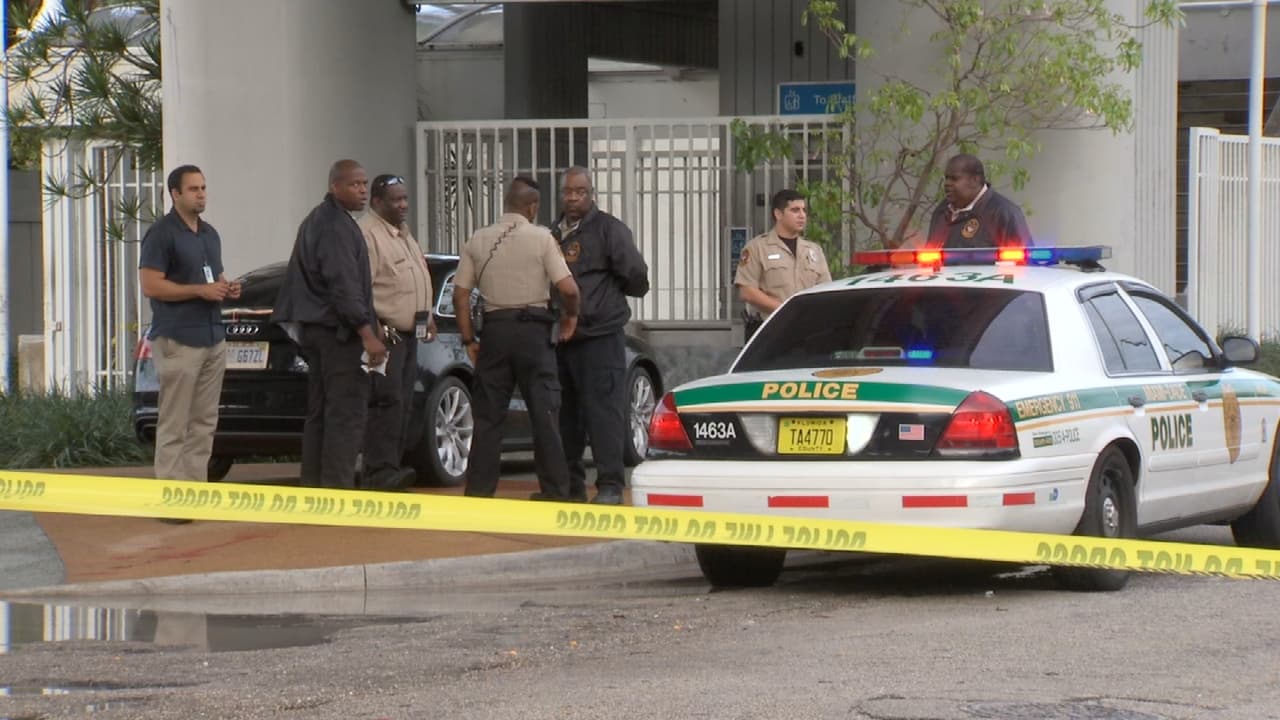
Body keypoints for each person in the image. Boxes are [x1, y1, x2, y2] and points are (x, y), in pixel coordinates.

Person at [453, 177, 581, 501]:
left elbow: (460, 295)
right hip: (534, 334)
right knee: (545, 414)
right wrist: (571, 317)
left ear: (506, 205)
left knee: (488, 416)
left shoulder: (478, 239)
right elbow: (568, 289)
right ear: (532, 207)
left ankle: (480, 492)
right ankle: (555, 492)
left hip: (495, 332)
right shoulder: (542, 238)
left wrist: (469, 339)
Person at [272, 159, 386, 490]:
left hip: (318, 331)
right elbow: (343, 285)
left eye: (365, 184)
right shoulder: (335, 226)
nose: (362, 190)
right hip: (338, 335)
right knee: (346, 413)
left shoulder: (320, 219)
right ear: (334, 187)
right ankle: (337, 490)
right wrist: (367, 332)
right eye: (354, 184)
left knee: (320, 413)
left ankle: (315, 486)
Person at [139, 164, 241, 496]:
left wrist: (227, 288)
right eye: (194, 189)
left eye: (203, 188)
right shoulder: (162, 233)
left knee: (204, 421)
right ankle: (171, 494)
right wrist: (199, 291)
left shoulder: (210, 234)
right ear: (175, 194)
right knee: (175, 420)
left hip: (213, 336)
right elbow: (151, 286)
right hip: (179, 338)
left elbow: (213, 277)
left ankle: (195, 491)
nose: (201, 194)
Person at [551, 167, 650, 505]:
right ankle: (570, 487)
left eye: (581, 192)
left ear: (591, 194)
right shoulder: (551, 233)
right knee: (566, 416)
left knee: (603, 413)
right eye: (568, 192)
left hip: (600, 336)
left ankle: (610, 485)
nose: (574, 198)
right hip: (562, 339)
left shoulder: (610, 229)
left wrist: (602, 299)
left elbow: (635, 276)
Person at [358, 174, 436, 491]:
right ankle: (377, 470)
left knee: (402, 401)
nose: (403, 205)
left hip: (409, 334)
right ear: (377, 202)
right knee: (386, 401)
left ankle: (393, 466)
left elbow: (413, 279)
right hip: (385, 336)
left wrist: (427, 315)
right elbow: (364, 288)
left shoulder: (403, 233)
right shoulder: (369, 234)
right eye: (396, 200)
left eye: (405, 198)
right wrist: (372, 333)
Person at [734, 188, 832, 340]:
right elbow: (747, 291)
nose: (802, 216)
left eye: (804, 210)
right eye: (795, 210)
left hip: (810, 332)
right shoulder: (757, 247)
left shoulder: (813, 250)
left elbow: (826, 290)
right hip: (772, 330)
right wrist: (785, 310)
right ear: (778, 214)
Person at [925, 154, 1034, 249]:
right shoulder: (941, 212)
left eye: (954, 179)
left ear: (975, 180)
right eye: (946, 178)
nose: (947, 183)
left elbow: (1025, 265)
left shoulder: (1005, 213)